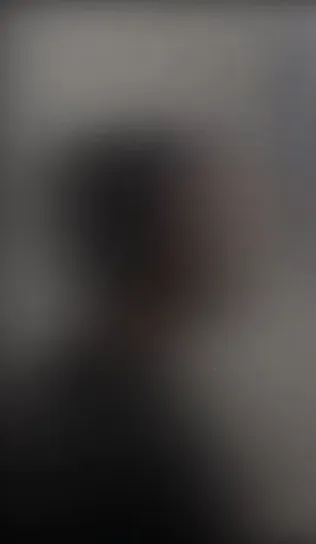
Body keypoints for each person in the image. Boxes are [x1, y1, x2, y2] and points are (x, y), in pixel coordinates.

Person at [3, 124, 248, 543]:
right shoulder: (108, 440)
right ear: (164, 238)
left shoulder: (99, 394)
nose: (235, 239)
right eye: (213, 216)